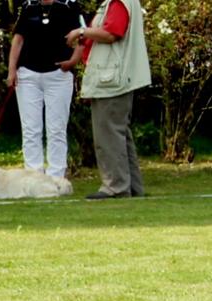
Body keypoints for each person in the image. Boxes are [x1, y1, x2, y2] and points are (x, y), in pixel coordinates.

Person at [66, 0, 150, 199]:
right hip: (115, 78)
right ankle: (132, 187)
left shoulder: (118, 3)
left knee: (108, 135)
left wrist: (82, 32)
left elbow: (112, 33)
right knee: (119, 135)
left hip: (111, 81)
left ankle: (115, 186)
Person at [7, 0, 84, 179]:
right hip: (27, 75)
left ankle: (56, 176)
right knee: (30, 129)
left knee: (56, 128)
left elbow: (83, 38)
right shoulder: (28, 6)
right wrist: (12, 70)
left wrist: (73, 61)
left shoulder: (70, 5)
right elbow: (18, 40)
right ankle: (33, 176)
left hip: (58, 75)